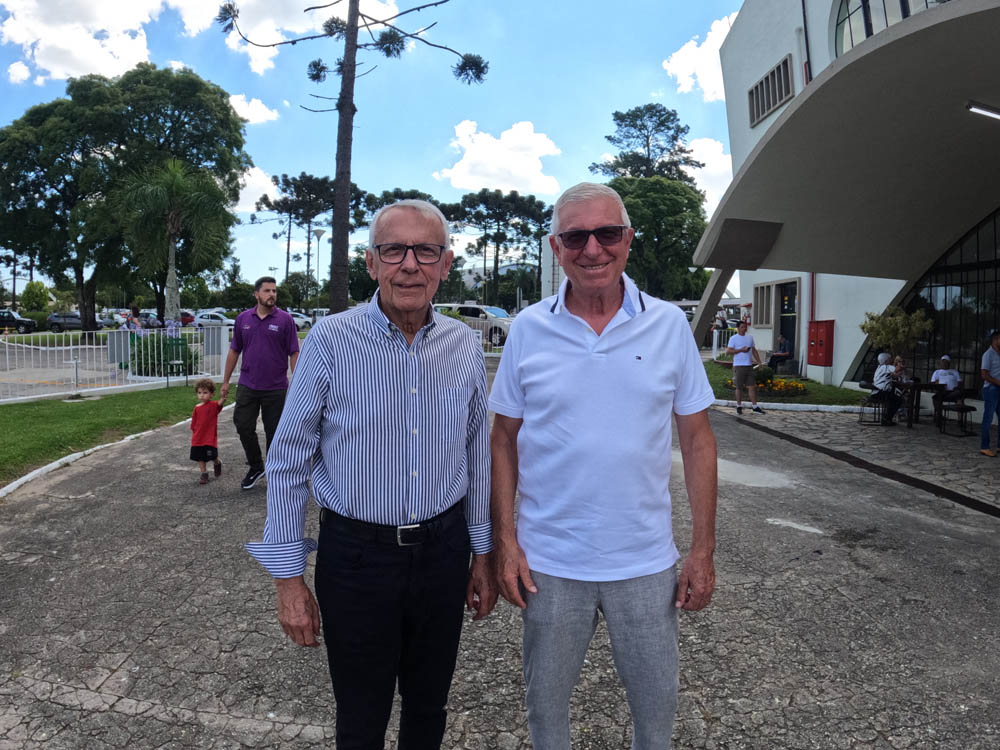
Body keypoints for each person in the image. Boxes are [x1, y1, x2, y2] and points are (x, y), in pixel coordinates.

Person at [246, 199, 495, 750]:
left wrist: (482, 554)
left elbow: (477, 454)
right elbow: (288, 460)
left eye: (425, 250)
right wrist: (288, 580)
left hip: (442, 552)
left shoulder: (462, 343)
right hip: (357, 558)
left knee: (429, 707)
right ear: (371, 262)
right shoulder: (331, 340)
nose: (409, 264)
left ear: (445, 264)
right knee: (360, 716)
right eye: (393, 250)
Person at [489, 182, 718, 750]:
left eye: (607, 233)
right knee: (546, 716)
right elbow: (502, 439)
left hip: (644, 564)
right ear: (555, 247)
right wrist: (506, 543)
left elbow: (697, 440)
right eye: (575, 237)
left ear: (628, 239)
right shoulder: (529, 329)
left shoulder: (668, 325)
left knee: (656, 720)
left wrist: (702, 550)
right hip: (549, 565)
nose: (593, 249)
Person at [219, 277, 300, 490]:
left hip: (276, 387)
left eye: (274, 291)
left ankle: (274, 470)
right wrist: (225, 381)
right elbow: (234, 350)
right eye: (267, 291)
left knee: (275, 432)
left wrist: (298, 383)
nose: (272, 294)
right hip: (248, 384)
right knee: (243, 425)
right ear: (256, 294)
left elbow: (294, 352)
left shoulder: (285, 320)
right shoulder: (243, 319)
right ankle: (256, 467)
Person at [190, 378, 225, 484]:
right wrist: (194, 432)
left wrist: (223, 396)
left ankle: (217, 462)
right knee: (200, 457)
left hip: (209, 438)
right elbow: (194, 422)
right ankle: (204, 474)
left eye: (205, 393)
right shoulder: (196, 408)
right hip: (198, 438)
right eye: (199, 392)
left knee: (212, 456)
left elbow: (220, 403)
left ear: (212, 394)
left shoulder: (213, 405)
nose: (202, 395)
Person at [727, 320, 765, 415]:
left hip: (749, 365)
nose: (744, 329)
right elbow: (729, 351)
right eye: (742, 327)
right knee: (739, 387)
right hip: (739, 365)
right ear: (738, 328)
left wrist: (759, 362)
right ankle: (739, 406)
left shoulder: (750, 338)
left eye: (745, 327)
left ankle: (755, 407)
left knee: (752, 386)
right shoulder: (733, 338)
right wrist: (741, 350)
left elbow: (754, 350)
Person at [980, 330, 1000, 456]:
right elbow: (984, 375)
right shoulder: (988, 355)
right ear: (995, 339)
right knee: (988, 418)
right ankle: (984, 446)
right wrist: (998, 382)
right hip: (991, 389)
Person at [930, 354, 962, 425]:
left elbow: (960, 382)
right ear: (941, 363)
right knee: (935, 397)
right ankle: (939, 416)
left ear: (949, 363)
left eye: (946, 362)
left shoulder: (954, 372)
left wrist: (957, 387)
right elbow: (933, 383)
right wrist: (938, 386)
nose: (944, 364)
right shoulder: (937, 372)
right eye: (943, 362)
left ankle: (960, 421)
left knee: (959, 397)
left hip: (953, 392)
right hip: (942, 392)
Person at [873, 352, 902, 425]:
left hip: (876, 392)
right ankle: (887, 419)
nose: (890, 360)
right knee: (898, 400)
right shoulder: (886, 366)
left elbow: (894, 375)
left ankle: (886, 418)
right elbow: (898, 369)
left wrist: (896, 375)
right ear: (886, 361)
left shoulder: (879, 368)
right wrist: (898, 362)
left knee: (893, 398)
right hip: (882, 393)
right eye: (889, 359)